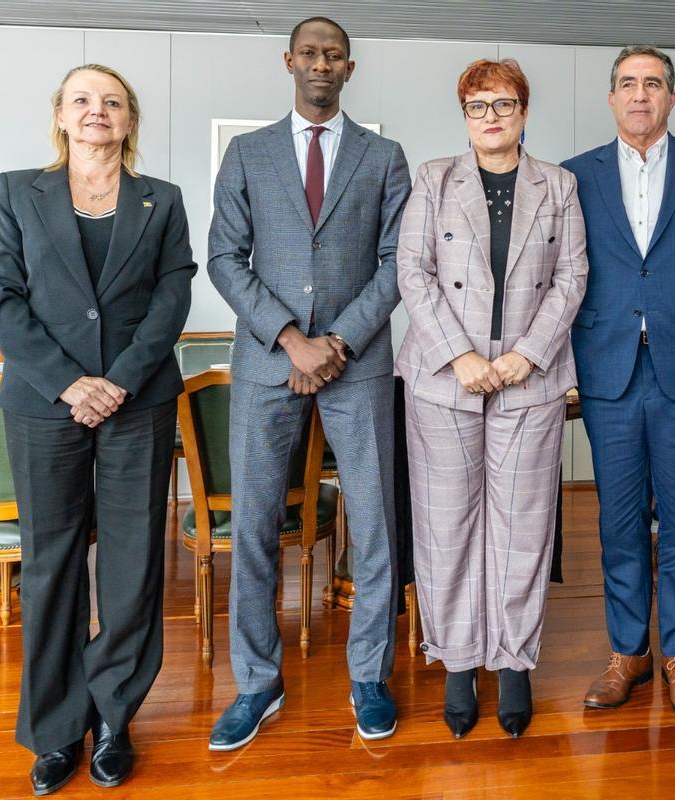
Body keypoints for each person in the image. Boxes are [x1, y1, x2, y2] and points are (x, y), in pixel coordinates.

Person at [0, 64, 196, 794]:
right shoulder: (17, 191)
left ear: (129, 120)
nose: (97, 111)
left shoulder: (162, 201)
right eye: (82, 100)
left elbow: (171, 298)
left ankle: (115, 716)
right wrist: (70, 382)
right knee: (52, 570)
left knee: (133, 572)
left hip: (139, 405)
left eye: (112, 102)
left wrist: (120, 380)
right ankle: (57, 730)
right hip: (44, 406)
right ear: (61, 117)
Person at [206, 16, 411, 749]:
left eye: (335, 56)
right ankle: (256, 683)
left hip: (359, 363)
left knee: (375, 522)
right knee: (256, 525)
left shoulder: (384, 156)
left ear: (349, 69)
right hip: (268, 358)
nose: (322, 64)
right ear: (288, 61)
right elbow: (225, 258)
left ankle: (369, 676)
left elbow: (398, 262)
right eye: (311, 53)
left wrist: (338, 342)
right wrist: (293, 341)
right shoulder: (247, 153)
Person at [395, 58, 588, 740]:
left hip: (527, 379)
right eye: (478, 105)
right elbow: (412, 273)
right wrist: (463, 355)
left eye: (503, 103)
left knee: (522, 526)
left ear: (524, 111)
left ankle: (512, 662)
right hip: (445, 379)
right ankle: (455, 659)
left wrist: (520, 357)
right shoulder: (434, 178)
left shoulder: (559, 186)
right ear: (465, 115)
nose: (491, 116)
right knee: (446, 524)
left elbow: (571, 277)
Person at [562, 45, 675, 721]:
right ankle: (627, 651)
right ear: (612, 98)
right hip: (608, 366)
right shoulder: (575, 176)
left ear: (671, 97)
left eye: (654, 83)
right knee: (619, 518)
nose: (641, 94)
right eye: (629, 84)